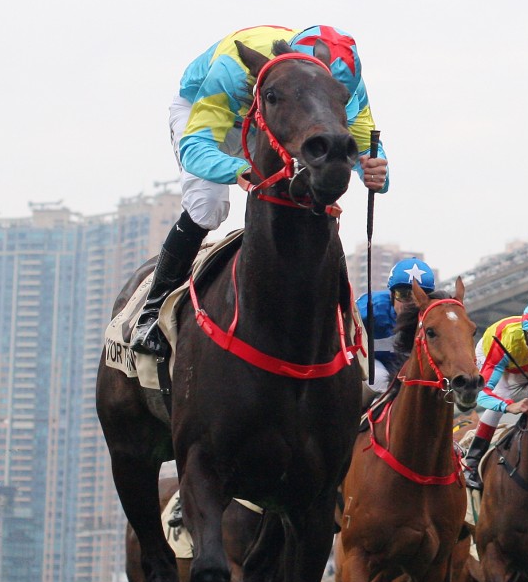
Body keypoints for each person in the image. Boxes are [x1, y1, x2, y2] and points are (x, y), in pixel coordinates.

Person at [132, 24, 390, 358]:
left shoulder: (345, 79)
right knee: (207, 207)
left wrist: (375, 169)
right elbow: (196, 149)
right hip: (216, 114)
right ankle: (151, 313)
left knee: (312, 194)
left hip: (282, 120)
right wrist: (243, 170)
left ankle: (337, 321)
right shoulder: (232, 70)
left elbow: (367, 146)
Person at [461, 298, 528, 490]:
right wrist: (509, 405)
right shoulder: (507, 339)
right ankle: (472, 462)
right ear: (526, 336)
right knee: (500, 396)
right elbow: (482, 395)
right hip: (496, 356)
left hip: (525, 363)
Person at [356, 257, 436, 391]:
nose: (411, 303)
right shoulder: (369, 309)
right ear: (392, 294)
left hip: (402, 365)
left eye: (419, 296)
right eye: (403, 294)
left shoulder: (433, 317)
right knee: (379, 378)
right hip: (370, 362)